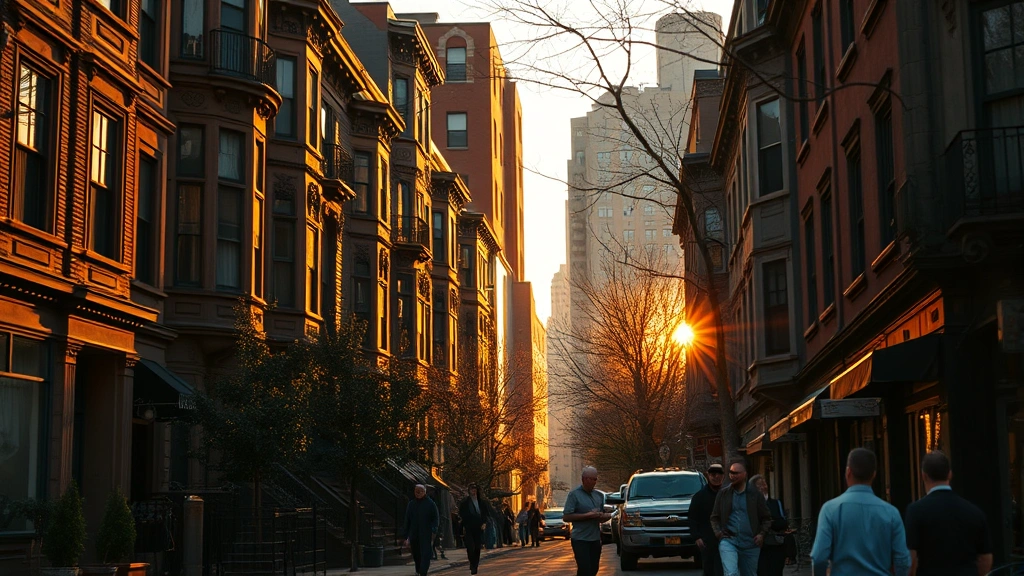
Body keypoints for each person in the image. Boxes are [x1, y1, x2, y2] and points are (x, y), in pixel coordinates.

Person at [810, 448, 910, 576]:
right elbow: (902, 559)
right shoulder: (891, 512)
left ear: (848, 472)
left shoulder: (830, 509)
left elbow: (819, 557)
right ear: (874, 474)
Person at [904, 451, 993, 576]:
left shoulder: (915, 511)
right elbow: (985, 558)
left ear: (924, 475)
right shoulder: (974, 512)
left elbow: (911, 557)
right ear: (950, 475)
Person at [710, 458, 772, 576]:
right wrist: (718, 533)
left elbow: (766, 518)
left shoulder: (754, 495)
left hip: (750, 543)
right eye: (731, 473)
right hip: (729, 541)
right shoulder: (723, 494)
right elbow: (714, 517)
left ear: (745, 475)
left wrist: (761, 534)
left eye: (736, 473)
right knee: (731, 573)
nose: (733, 476)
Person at [562, 466, 612, 576]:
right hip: (580, 539)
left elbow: (600, 516)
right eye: (592, 479)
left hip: (595, 539)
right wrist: (587, 515)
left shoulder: (598, 495)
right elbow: (566, 517)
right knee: (585, 569)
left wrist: (605, 516)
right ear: (584, 479)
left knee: (594, 569)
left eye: (596, 479)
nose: (595, 482)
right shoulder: (574, 495)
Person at [690, 463, 725, 576]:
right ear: (708, 476)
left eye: (719, 474)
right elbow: (692, 518)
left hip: (726, 539)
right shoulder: (699, 497)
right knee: (709, 569)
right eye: (713, 474)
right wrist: (697, 537)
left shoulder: (728, 495)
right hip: (707, 540)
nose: (716, 477)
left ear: (723, 476)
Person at [750, 474, 787, 576]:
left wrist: (768, 522)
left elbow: (783, 523)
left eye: (764, 484)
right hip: (759, 548)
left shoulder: (776, 503)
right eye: (759, 485)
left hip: (776, 546)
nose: (763, 487)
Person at [402, 484, 439, 576]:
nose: (418, 493)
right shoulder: (411, 504)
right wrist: (406, 535)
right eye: (416, 491)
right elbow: (407, 520)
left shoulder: (430, 504)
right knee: (416, 554)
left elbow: (435, 518)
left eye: (420, 491)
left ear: (424, 492)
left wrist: (434, 529)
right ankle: (418, 570)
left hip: (426, 533)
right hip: (414, 533)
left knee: (425, 554)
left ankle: (423, 572)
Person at [458, 483, 492, 575]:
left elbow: (486, 514)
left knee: (477, 547)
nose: (473, 491)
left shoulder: (482, 502)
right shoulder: (465, 503)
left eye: (475, 490)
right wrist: (462, 527)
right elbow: (461, 515)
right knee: (470, 547)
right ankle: (472, 562)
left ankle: (475, 565)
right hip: (468, 527)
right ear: (469, 491)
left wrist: (484, 523)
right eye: (472, 489)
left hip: (479, 527)